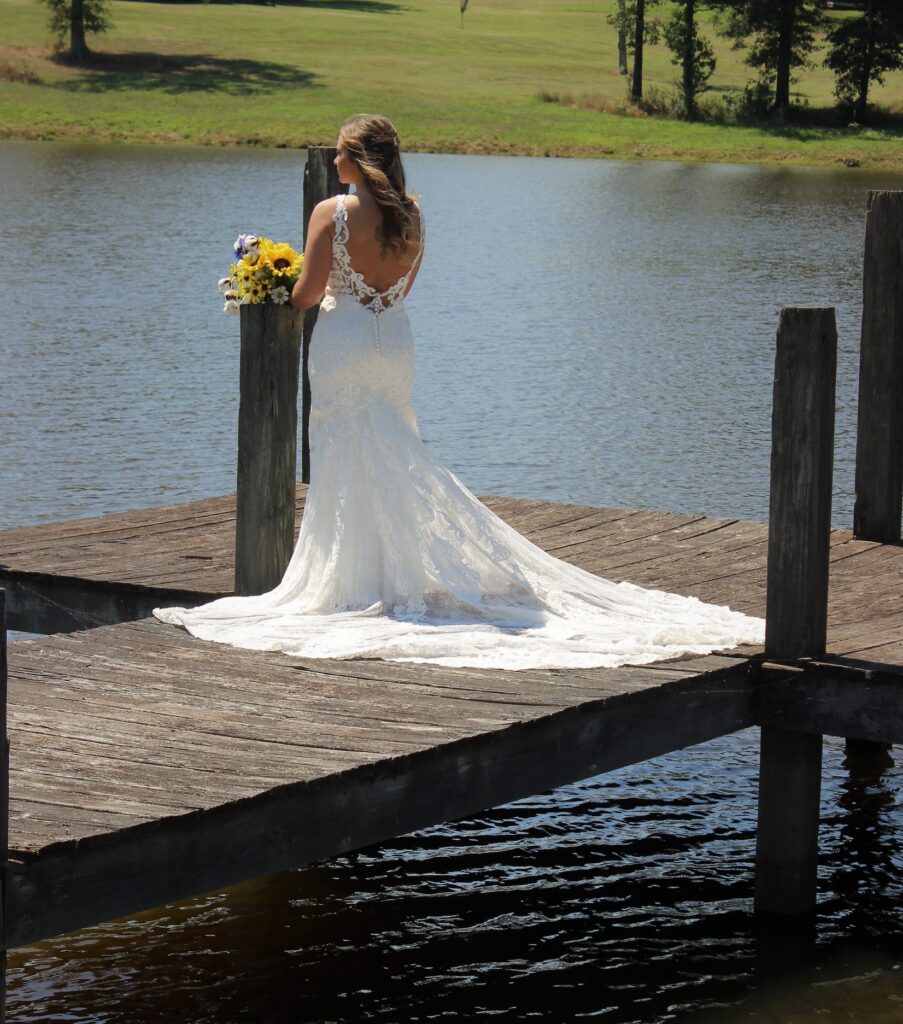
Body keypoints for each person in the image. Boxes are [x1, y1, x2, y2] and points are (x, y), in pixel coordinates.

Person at [153, 113, 765, 670]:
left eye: (340, 152)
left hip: (340, 343)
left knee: (345, 451)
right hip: (392, 342)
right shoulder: (412, 216)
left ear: (356, 158)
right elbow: (401, 290)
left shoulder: (330, 213)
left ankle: (356, 581)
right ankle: (389, 575)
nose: (334, 161)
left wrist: (271, 286)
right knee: (395, 447)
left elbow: (308, 295)